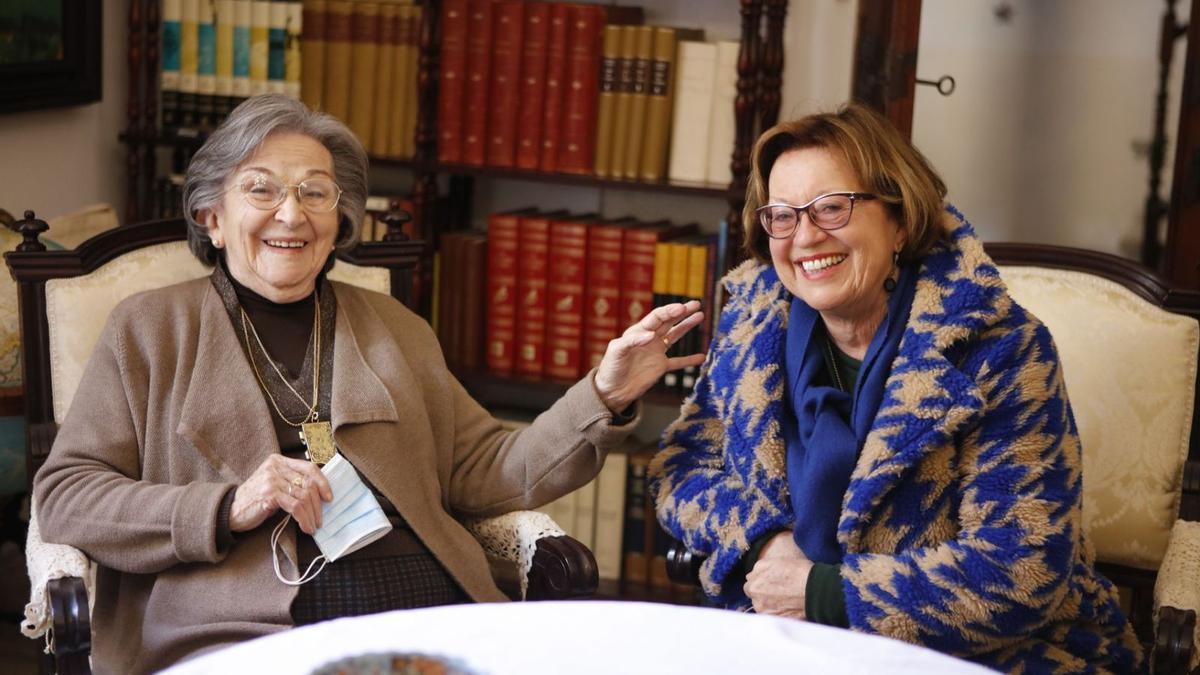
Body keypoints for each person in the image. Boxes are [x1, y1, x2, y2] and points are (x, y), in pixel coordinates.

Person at [33, 94, 706, 674]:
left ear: (341, 218)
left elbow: (488, 471)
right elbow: (68, 496)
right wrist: (226, 506)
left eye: (315, 191)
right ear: (210, 215)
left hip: (426, 610)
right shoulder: (151, 329)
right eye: (261, 188)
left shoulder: (394, 326)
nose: (291, 215)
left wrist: (605, 392)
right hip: (252, 632)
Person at [648, 103, 1142, 672]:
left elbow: (1022, 567)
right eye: (781, 215)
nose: (805, 237)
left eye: (831, 208)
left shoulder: (1000, 348)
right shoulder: (753, 322)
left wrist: (824, 593)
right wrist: (764, 542)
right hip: (779, 641)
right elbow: (682, 467)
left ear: (900, 221)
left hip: (975, 656)